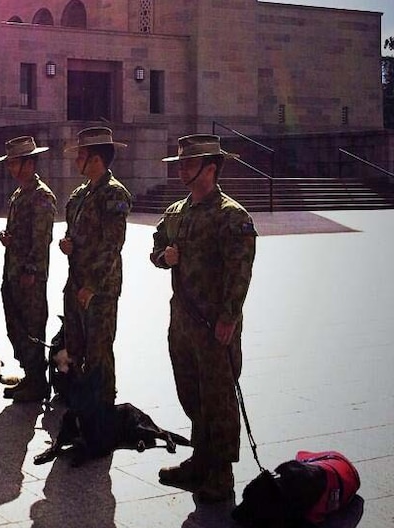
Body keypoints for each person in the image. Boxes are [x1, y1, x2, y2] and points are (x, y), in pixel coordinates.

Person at [150, 134, 257, 502]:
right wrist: (165, 258)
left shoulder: (231, 215)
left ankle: (221, 473)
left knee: (218, 396)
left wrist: (229, 316)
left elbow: (240, 271)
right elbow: (155, 250)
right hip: (181, 322)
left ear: (210, 169)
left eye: (188, 164)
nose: (181, 169)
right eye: (180, 163)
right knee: (190, 391)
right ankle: (201, 459)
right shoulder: (177, 212)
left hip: (215, 325)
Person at [60, 127, 131, 408]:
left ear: (97, 159)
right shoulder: (81, 194)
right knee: (74, 346)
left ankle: (102, 409)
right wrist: (69, 245)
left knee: (99, 350)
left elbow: (112, 246)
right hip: (75, 282)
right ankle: (80, 404)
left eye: (81, 156)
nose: (77, 161)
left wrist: (92, 286)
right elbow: (79, 235)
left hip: (99, 290)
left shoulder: (114, 195)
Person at [0, 136, 56, 402]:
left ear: (29, 163)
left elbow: (41, 239)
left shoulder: (41, 196)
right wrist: (10, 240)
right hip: (13, 271)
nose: (11, 168)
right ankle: (29, 375)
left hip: (29, 276)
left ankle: (37, 382)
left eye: (15, 163)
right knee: (15, 326)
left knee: (32, 328)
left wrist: (30, 271)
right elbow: (23, 235)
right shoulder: (20, 194)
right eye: (9, 164)